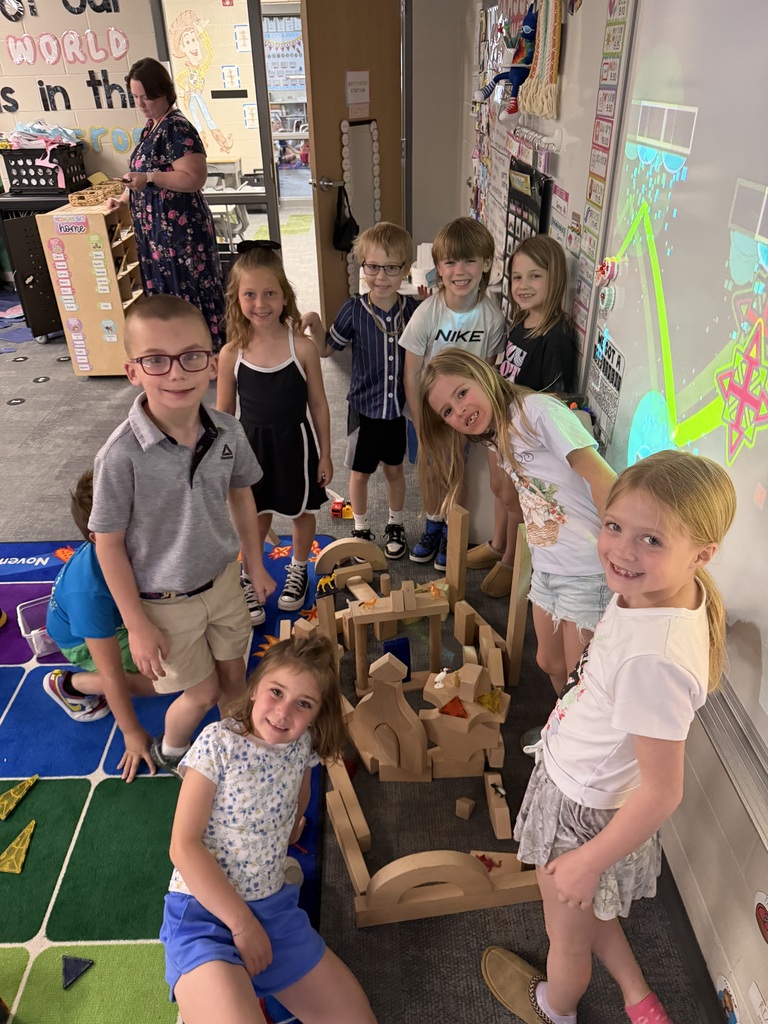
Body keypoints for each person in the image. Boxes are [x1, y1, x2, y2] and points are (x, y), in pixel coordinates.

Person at [481, 450, 737, 1024]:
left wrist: (588, 859)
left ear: (701, 554)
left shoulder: (656, 660)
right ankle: (637, 994)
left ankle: (555, 1006)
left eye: (650, 540)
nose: (622, 549)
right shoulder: (654, 595)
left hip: (583, 813)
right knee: (586, 913)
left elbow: (662, 791)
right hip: (580, 785)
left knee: (566, 939)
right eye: (616, 526)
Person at [89, 294, 275, 776]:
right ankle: (173, 751)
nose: (176, 373)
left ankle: (240, 754)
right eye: (156, 360)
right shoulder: (119, 457)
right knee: (201, 691)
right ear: (134, 371)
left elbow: (241, 496)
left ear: (211, 364)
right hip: (165, 603)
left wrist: (255, 565)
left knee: (237, 679)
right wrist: (136, 624)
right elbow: (107, 542)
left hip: (224, 583)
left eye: (191, 356)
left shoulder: (229, 431)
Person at [160, 634, 378, 1024]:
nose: (283, 712)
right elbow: (183, 846)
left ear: (316, 714)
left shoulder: (304, 746)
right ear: (256, 686)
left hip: (272, 908)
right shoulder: (217, 742)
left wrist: (286, 833)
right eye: (276, 692)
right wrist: (242, 925)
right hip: (202, 911)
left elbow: (297, 811)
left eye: (303, 704)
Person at [418, 349, 615, 698]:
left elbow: (604, 479)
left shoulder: (534, 412)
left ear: (484, 375)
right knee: (549, 662)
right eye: (447, 411)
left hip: (587, 567)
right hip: (548, 565)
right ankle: (560, 731)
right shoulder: (497, 432)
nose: (459, 410)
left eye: (461, 393)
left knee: (580, 678)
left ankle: (571, 746)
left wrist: (614, 551)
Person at [216, 244, 332, 619]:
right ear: (237, 299)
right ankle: (251, 575)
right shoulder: (231, 353)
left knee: (302, 511)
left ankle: (299, 568)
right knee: (255, 517)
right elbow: (223, 415)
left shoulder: (303, 348)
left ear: (285, 298)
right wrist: (222, 462)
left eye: (270, 293)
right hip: (250, 449)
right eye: (250, 294)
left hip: (296, 446)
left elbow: (318, 404)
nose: (260, 303)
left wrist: (326, 453)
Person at [302, 222, 419, 560]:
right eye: (372, 267)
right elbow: (327, 349)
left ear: (406, 270)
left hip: (397, 410)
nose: (381, 276)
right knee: (360, 473)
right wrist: (313, 322)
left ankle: (395, 523)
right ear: (361, 267)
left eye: (391, 268)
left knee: (395, 471)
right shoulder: (353, 309)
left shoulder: (413, 310)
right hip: (364, 410)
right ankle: (362, 527)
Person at [472, 235, 579, 598]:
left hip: (521, 433)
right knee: (498, 490)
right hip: (499, 424)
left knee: (516, 500)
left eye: (535, 277)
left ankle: (512, 563)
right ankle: (498, 544)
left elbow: (552, 399)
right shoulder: (521, 321)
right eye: (517, 278)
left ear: (555, 279)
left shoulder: (556, 335)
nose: (523, 286)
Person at [399, 217, 506, 570]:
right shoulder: (427, 313)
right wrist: (418, 421)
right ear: (439, 270)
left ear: (487, 264)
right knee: (430, 467)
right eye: (450, 262)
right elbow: (412, 372)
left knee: (457, 470)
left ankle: (451, 528)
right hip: (430, 409)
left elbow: (487, 372)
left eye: (470, 261)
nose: (460, 271)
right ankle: (433, 522)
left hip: (467, 411)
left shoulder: (492, 318)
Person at [44, 469, 158, 783]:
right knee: (166, 679)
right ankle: (70, 685)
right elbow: (111, 674)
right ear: (97, 536)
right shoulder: (89, 592)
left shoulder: (127, 549)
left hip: (116, 615)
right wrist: (132, 732)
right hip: (84, 637)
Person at [105, 57, 226, 349]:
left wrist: (148, 178)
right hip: (156, 236)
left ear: (165, 92)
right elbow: (143, 177)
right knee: (166, 298)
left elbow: (193, 178)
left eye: (147, 97)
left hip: (179, 236)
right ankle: (177, 350)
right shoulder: (151, 127)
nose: (141, 104)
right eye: (135, 97)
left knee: (187, 294)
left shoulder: (176, 127)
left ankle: (203, 353)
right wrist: (122, 199)